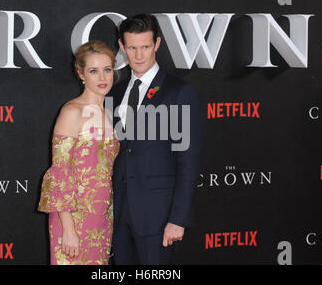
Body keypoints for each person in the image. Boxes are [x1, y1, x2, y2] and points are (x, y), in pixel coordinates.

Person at [108, 14, 202, 265]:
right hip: (119, 214)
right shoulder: (115, 94)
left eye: (145, 47)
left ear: (157, 44)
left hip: (159, 217)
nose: (139, 56)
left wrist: (178, 219)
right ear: (122, 46)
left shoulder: (178, 91)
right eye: (132, 48)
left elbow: (188, 160)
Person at [37, 40, 120, 265]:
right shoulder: (72, 112)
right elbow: (59, 173)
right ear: (81, 74)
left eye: (107, 69)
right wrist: (69, 229)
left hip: (102, 216)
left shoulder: (110, 114)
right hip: (73, 217)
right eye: (94, 71)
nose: (102, 78)